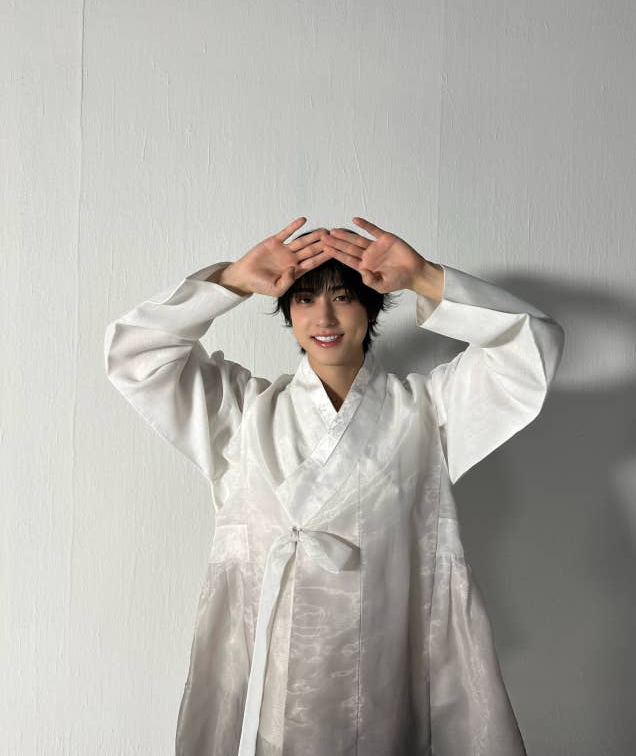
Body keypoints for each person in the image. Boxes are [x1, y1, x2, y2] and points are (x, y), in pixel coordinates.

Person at [104, 216, 565, 755]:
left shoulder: (427, 413)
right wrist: (230, 281)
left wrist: (423, 277)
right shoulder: (243, 417)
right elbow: (136, 355)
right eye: (305, 300)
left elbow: (531, 348)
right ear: (287, 311)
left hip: (387, 676)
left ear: (371, 306)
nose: (323, 317)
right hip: (269, 679)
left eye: (343, 298)